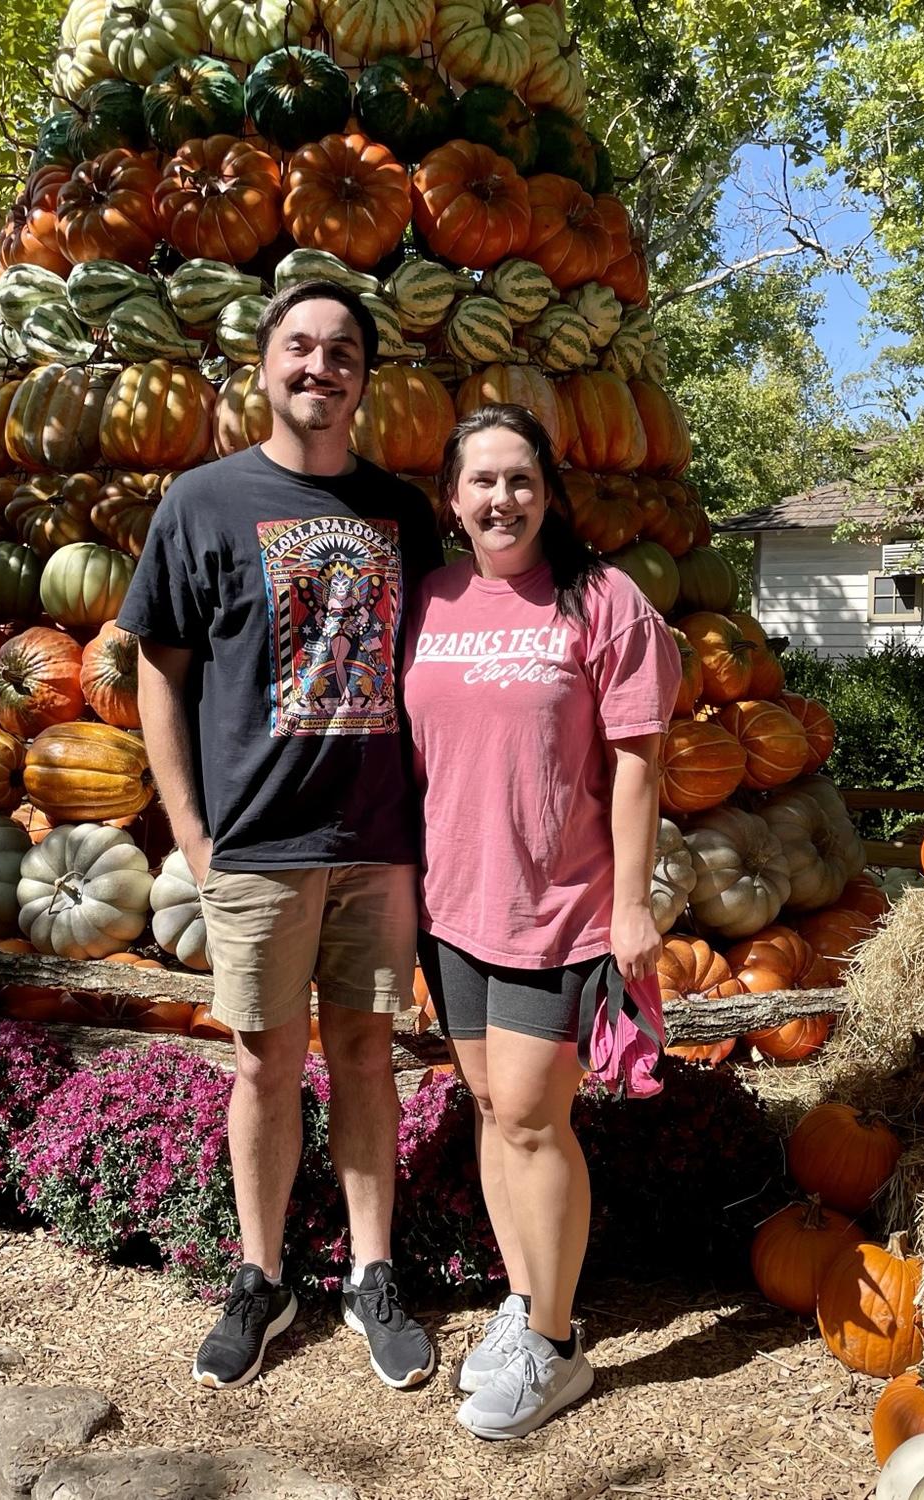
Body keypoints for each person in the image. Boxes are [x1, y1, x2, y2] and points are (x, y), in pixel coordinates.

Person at [117, 280, 443, 1393]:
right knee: (262, 1065)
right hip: (255, 844)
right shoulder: (200, 503)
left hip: (377, 842)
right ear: (262, 368)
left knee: (363, 1055)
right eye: (299, 347)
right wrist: (194, 836)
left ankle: (370, 1273)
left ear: (364, 376)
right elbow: (156, 678)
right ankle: (261, 1278)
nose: (320, 366)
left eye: (343, 349)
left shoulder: (404, 512)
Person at [403, 404, 680, 1440]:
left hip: (560, 908)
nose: (502, 499)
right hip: (451, 906)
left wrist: (632, 902)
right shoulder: (427, 601)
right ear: (451, 499)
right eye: (481, 482)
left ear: (550, 492)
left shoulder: (604, 600)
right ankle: (526, 1304)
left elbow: (639, 762)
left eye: (521, 480)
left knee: (531, 1115)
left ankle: (556, 1348)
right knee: (488, 1108)